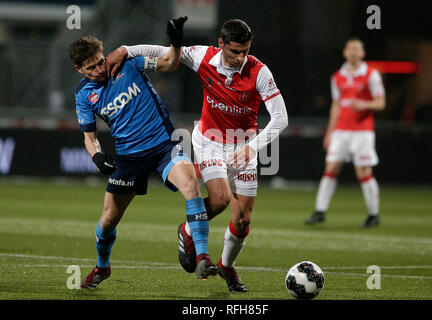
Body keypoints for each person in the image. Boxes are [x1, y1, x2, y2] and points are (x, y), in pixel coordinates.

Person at [106, 19, 288, 292]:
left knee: (242, 221)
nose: (241, 57)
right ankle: (189, 231)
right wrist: (124, 49)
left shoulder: (259, 72)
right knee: (220, 198)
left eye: (246, 50)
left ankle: (226, 266)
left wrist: (252, 147)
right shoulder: (205, 56)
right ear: (221, 44)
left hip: (244, 145)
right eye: (235, 51)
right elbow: (162, 51)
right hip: (210, 141)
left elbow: (281, 118)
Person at [69, 17, 218, 289]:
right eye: (90, 68)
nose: (99, 69)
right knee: (108, 220)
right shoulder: (83, 95)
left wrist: (175, 41)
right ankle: (102, 267)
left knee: (191, 186)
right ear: (79, 69)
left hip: (164, 146)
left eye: (100, 61)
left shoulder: (129, 64)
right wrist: (97, 158)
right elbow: (89, 138)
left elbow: (170, 63)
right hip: (129, 158)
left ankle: (203, 257)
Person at [305, 37, 385, 228]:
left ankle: (373, 215)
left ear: (363, 53)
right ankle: (319, 211)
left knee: (363, 171)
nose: (354, 52)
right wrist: (329, 132)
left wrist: (364, 104)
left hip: (362, 130)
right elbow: (336, 105)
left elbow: (381, 103)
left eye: (357, 49)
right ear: (345, 52)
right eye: (350, 49)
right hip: (341, 130)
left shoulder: (371, 75)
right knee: (330, 168)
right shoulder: (337, 76)